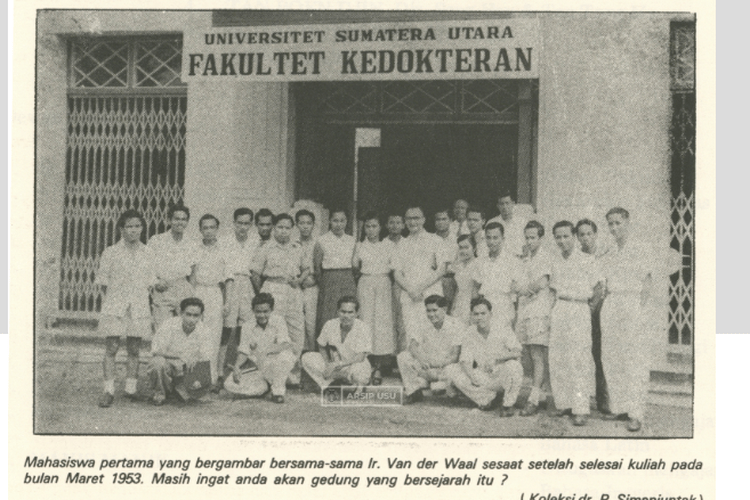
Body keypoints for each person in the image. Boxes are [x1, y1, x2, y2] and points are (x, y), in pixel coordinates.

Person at [96, 209, 157, 408]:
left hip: (138, 306)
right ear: (122, 229)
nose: (133, 230)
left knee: (134, 348)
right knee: (111, 347)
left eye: (137, 226)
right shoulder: (111, 252)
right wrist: (115, 301)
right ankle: (108, 390)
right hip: (116, 305)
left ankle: (131, 389)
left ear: (142, 228)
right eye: (129, 226)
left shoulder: (148, 252)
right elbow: (103, 282)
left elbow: (150, 280)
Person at [599, 208, 653, 432]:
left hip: (632, 304)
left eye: (618, 223)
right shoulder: (610, 250)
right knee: (612, 357)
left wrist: (641, 312)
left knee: (634, 359)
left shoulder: (640, 248)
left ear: (628, 222)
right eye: (610, 224)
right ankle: (619, 407)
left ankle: (636, 413)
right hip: (612, 303)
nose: (614, 228)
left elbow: (647, 283)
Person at [548, 221, 600, 426]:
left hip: (579, 308)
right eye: (558, 237)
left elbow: (597, 288)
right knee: (559, 357)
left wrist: (589, 309)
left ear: (574, 237)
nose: (562, 241)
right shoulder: (555, 261)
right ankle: (564, 404)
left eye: (566, 236)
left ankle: (580, 408)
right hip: (560, 308)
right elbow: (553, 290)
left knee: (579, 358)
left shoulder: (588, 260)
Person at [251, 213, 310, 385]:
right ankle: (270, 374)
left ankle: (293, 374)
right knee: (273, 330)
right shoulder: (266, 248)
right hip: (272, 288)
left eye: (287, 228)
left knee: (296, 330)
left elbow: (306, 268)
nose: (284, 231)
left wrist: (299, 280)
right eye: (280, 227)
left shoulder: (297, 247)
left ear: (292, 229)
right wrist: (262, 295)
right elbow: (255, 274)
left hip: (292, 289)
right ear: (274, 228)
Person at [445, 297, 522, 416]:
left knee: (514, 366)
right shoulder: (470, 332)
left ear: (490, 314)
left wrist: (497, 358)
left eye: (483, 313)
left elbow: (517, 352)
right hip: (483, 377)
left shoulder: (502, 328)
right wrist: (472, 377)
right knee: (451, 370)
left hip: (501, 376)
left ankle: (508, 405)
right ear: (472, 316)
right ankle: (487, 400)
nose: (479, 317)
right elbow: (465, 360)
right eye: (476, 314)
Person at [223, 293, 297, 403]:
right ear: (253, 310)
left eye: (265, 311)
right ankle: (269, 384)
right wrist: (237, 367)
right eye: (258, 311)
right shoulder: (247, 326)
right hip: (259, 367)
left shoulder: (279, 321)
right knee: (228, 384)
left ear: (271, 309)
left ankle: (278, 392)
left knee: (286, 356)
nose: (262, 315)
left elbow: (285, 344)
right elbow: (244, 351)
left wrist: (267, 351)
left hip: (275, 362)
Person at [393, 206, 449, 344]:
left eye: (416, 218)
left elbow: (441, 269)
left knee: (432, 330)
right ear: (405, 221)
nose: (413, 222)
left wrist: (420, 288)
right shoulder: (401, 244)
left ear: (423, 220)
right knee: (411, 332)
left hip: (430, 293)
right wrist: (411, 290)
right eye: (409, 219)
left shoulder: (435, 240)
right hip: (409, 295)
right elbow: (397, 273)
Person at [190, 214, 233, 388]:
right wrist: (191, 299)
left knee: (214, 336)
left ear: (217, 229)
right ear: (200, 230)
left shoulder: (224, 250)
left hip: (215, 293)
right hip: (198, 292)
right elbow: (192, 276)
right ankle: (194, 378)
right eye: (205, 228)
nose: (209, 231)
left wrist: (227, 302)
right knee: (196, 334)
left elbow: (228, 279)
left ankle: (212, 377)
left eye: (212, 227)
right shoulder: (194, 249)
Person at [516, 221, 554, 417]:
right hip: (525, 310)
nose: (529, 241)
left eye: (533, 237)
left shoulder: (545, 257)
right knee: (527, 355)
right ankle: (535, 393)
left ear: (541, 238)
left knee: (538, 355)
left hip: (539, 310)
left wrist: (525, 290)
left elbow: (543, 281)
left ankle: (534, 398)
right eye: (527, 237)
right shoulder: (526, 258)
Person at [352, 212, 394, 384]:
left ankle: (378, 367)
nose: (371, 230)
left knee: (381, 324)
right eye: (368, 226)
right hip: (366, 282)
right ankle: (365, 366)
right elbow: (355, 266)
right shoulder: (360, 246)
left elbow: (394, 267)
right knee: (366, 321)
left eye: (374, 226)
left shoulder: (388, 245)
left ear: (380, 227)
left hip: (383, 283)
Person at [397, 295, 462, 404]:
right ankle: (413, 392)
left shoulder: (456, 325)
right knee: (403, 356)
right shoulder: (422, 323)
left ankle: (442, 386)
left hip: (445, 366)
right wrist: (422, 361)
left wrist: (438, 365)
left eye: (434, 310)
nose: (431, 314)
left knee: (440, 387)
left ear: (444, 309)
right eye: (428, 311)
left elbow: (455, 356)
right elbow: (412, 346)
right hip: (427, 366)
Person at [148, 297, 212, 406]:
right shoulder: (169, 324)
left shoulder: (204, 330)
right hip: (170, 366)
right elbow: (156, 350)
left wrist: (196, 358)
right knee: (157, 363)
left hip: (188, 369)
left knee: (194, 398)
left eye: (196, 315)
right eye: (188, 314)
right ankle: (160, 393)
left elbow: (206, 355)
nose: (191, 319)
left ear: (201, 316)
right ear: (181, 313)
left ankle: (178, 388)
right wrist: (179, 356)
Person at [301, 296, 372, 390]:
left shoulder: (363, 328)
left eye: (350, 312)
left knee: (360, 373)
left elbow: (360, 357)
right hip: (335, 364)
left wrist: (337, 364)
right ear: (338, 312)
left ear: (356, 314)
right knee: (307, 357)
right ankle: (329, 385)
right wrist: (327, 364)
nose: (346, 316)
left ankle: (358, 385)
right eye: (343, 311)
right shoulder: (330, 324)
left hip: (353, 364)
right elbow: (321, 345)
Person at [576, 218, 610, 413]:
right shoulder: (577, 257)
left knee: (600, 355)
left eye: (589, 233)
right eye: (582, 234)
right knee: (580, 355)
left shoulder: (604, 255)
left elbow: (602, 286)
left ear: (595, 234)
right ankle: (579, 400)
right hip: (582, 310)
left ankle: (603, 399)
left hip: (601, 311)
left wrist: (593, 309)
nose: (586, 238)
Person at [220, 207, 258, 381]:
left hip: (247, 284)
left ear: (251, 224)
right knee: (227, 328)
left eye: (247, 223)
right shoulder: (224, 241)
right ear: (234, 223)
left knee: (246, 327)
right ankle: (220, 370)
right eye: (240, 223)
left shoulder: (255, 241)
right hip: (230, 283)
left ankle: (240, 368)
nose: (243, 227)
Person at [147, 204, 195, 330]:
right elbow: (147, 267)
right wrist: (155, 282)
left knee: (185, 329)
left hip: (183, 287)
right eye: (177, 219)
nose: (180, 222)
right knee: (162, 330)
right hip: (163, 288)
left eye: (184, 219)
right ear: (169, 220)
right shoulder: (157, 241)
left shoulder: (191, 243)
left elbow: (194, 270)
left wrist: (191, 290)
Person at [471, 221, 523, 330]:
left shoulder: (513, 261)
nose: (492, 241)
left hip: (505, 308)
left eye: (495, 238)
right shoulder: (479, 262)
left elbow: (518, 293)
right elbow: (475, 290)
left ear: (503, 239)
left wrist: (517, 317)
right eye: (488, 238)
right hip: (484, 309)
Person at [314, 209, 357, 336]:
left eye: (342, 221)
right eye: (335, 221)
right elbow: (317, 267)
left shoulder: (352, 240)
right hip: (329, 279)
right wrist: (324, 283)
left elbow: (355, 265)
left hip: (347, 278)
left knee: (348, 311)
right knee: (329, 313)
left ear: (346, 222)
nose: (339, 224)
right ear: (329, 221)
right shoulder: (322, 240)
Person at [382, 210, 408, 353]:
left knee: (403, 321)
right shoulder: (382, 244)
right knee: (388, 320)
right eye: (391, 222)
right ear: (386, 225)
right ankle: (389, 356)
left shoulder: (407, 243)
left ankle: (401, 355)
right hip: (387, 284)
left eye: (398, 223)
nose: (395, 226)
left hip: (404, 286)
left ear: (403, 225)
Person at [295, 209, 319, 352]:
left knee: (311, 322)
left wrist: (315, 280)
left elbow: (322, 265)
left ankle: (312, 353)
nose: (305, 226)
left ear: (313, 225)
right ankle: (298, 355)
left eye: (308, 223)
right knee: (297, 321)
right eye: (302, 223)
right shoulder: (293, 244)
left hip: (312, 286)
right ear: (297, 225)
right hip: (296, 287)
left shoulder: (318, 243)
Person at [448, 234, 478, 325]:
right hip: (459, 303)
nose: (463, 251)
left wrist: (473, 311)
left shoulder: (478, 264)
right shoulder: (459, 266)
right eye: (461, 248)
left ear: (474, 248)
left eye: (466, 247)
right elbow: (458, 289)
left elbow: (476, 292)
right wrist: (453, 307)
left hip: (471, 304)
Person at [487, 192, 527, 258]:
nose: (504, 207)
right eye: (501, 204)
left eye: (507, 203)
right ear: (498, 206)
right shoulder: (492, 222)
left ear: (513, 204)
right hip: (498, 260)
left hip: (518, 259)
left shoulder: (522, 222)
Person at [434, 207, 458, 307]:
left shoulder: (457, 240)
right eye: (438, 219)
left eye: (444, 219)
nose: (440, 222)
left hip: (451, 280)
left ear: (451, 221)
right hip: (434, 281)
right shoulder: (430, 240)